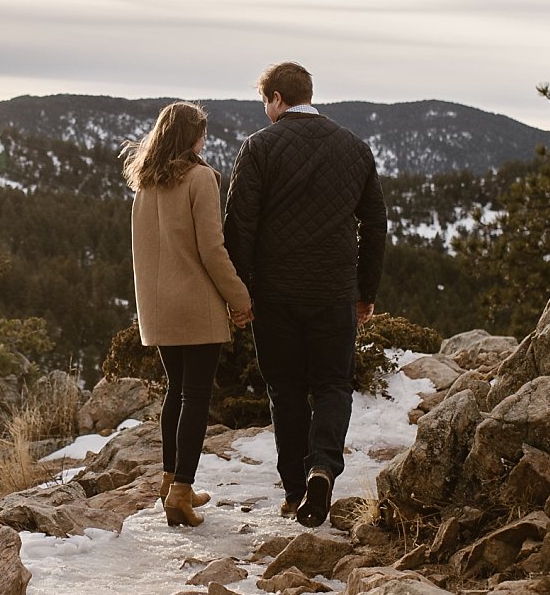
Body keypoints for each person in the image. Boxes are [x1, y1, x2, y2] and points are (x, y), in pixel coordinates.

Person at [224, 62, 386, 528]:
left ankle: (295, 490)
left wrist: (241, 291)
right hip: (334, 292)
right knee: (333, 385)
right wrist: (365, 291)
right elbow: (375, 223)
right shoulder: (355, 147)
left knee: (286, 389)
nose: (266, 111)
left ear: (276, 98)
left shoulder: (258, 147)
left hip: (275, 294)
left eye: (265, 102)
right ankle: (323, 468)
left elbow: (240, 226)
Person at [124, 101, 254, 528]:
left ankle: (170, 481)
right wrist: (240, 299)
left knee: (176, 391)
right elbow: (212, 251)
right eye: (202, 132)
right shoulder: (201, 179)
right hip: (195, 303)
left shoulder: (144, 184)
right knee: (196, 395)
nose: (206, 139)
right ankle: (181, 492)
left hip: (158, 307)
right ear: (191, 137)